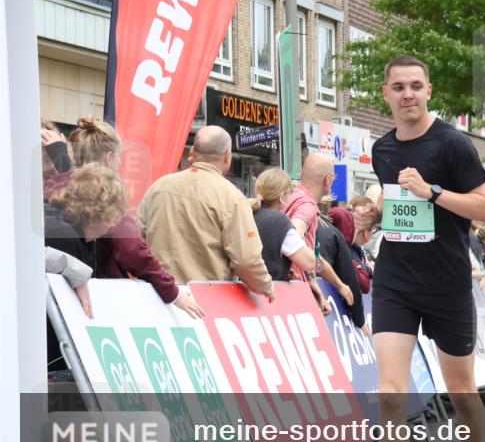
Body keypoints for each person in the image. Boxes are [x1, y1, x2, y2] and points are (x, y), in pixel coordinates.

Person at [354, 56, 485, 442]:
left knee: (463, 395)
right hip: (395, 281)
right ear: (386, 94)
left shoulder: (453, 144)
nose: (408, 94)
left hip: (447, 283)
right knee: (391, 393)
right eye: (399, 87)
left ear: (429, 91)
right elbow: (399, 204)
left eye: (416, 85)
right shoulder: (382, 148)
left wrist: (434, 191)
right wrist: (376, 216)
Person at [42, 116, 204, 318]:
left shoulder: (56, 184)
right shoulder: (105, 195)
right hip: (92, 296)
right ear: (109, 157)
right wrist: (173, 293)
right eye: (120, 157)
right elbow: (133, 250)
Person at [137, 126, 274, 300]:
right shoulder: (232, 197)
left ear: (192, 152)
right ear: (227, 156)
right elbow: (247, 260)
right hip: (206, 300)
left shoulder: (158, 187)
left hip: (158, 296)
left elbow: (137, 239)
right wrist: (266, 286)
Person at [45, 164, 127, 365]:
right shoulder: (62, 235)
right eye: (113, 215)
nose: (113, 224)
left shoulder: (81, 235)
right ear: (97, 213)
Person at [251, 168, 349, 315]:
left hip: (246, 295)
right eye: (290, 192)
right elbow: (310, 262)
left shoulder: (249, 213)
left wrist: (283, 267)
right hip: (270, 299)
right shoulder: (279, 221)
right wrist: (335, 281)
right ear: (282, 197)